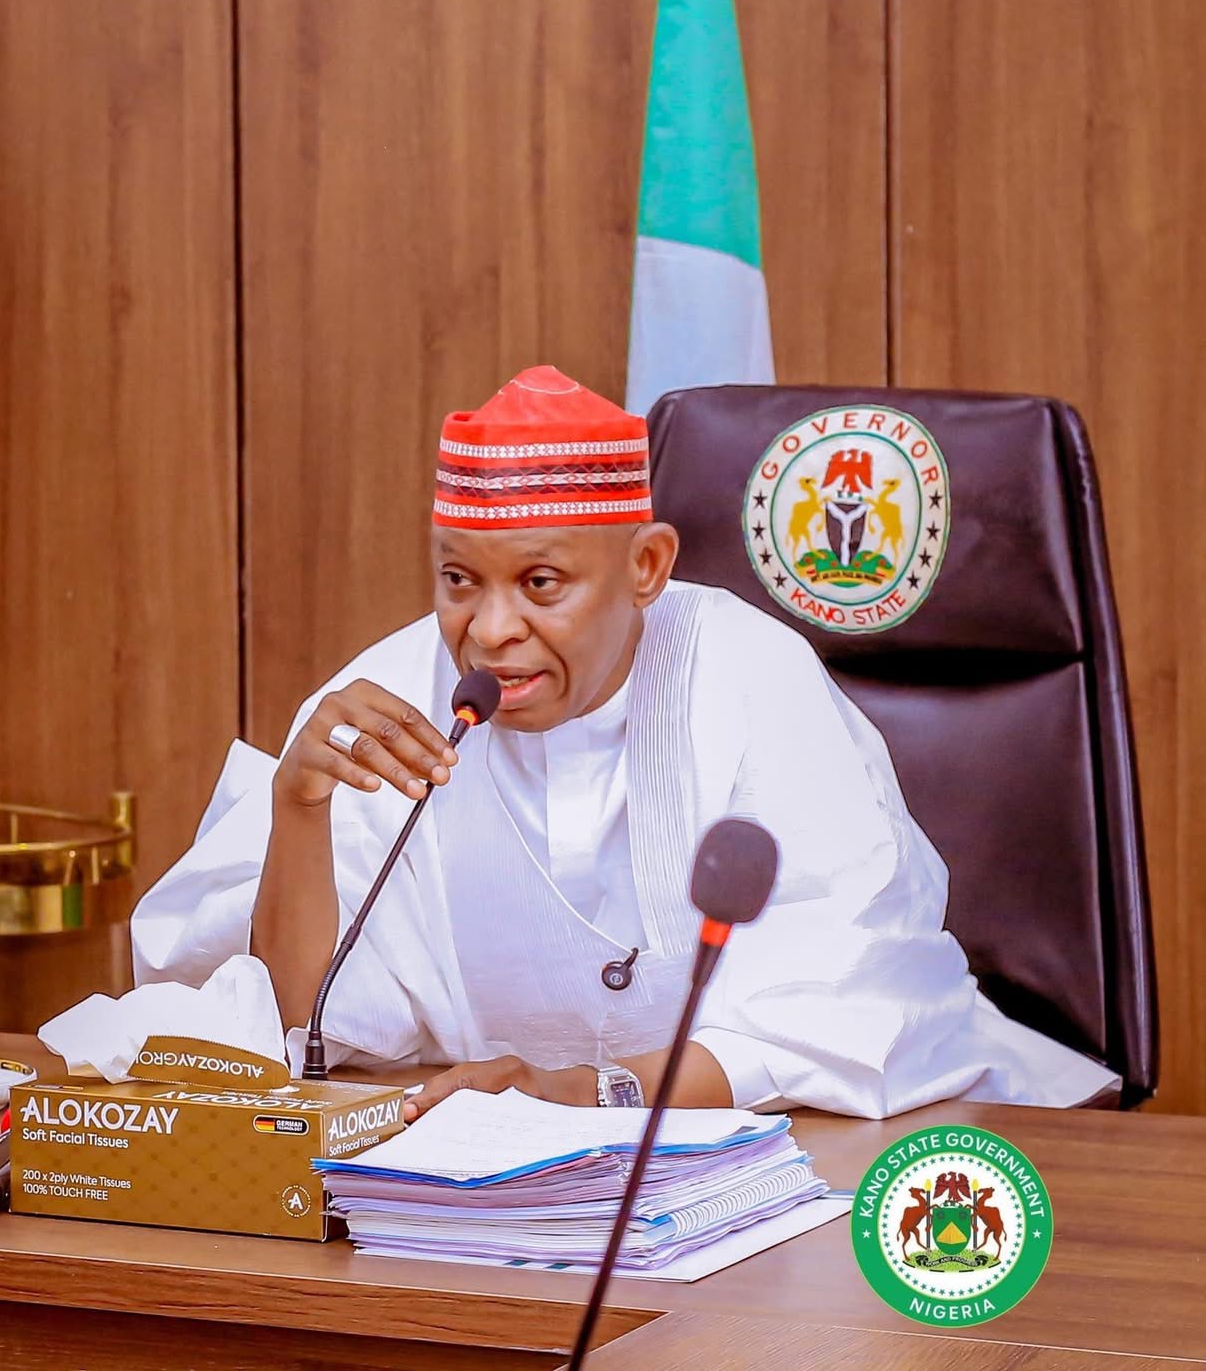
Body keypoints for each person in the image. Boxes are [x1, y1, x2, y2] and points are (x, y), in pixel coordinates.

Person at [132, 366, 1117, 1118]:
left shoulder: (749, 677)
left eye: (541, 584)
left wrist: (585, 1093)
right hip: (508, 1193)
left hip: (880, 1151)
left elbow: (849, 1011)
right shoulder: (389, 701)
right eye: (458, 580)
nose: (488, 631)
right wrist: (297, 812)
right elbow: (304, 1030)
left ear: (645, 567)